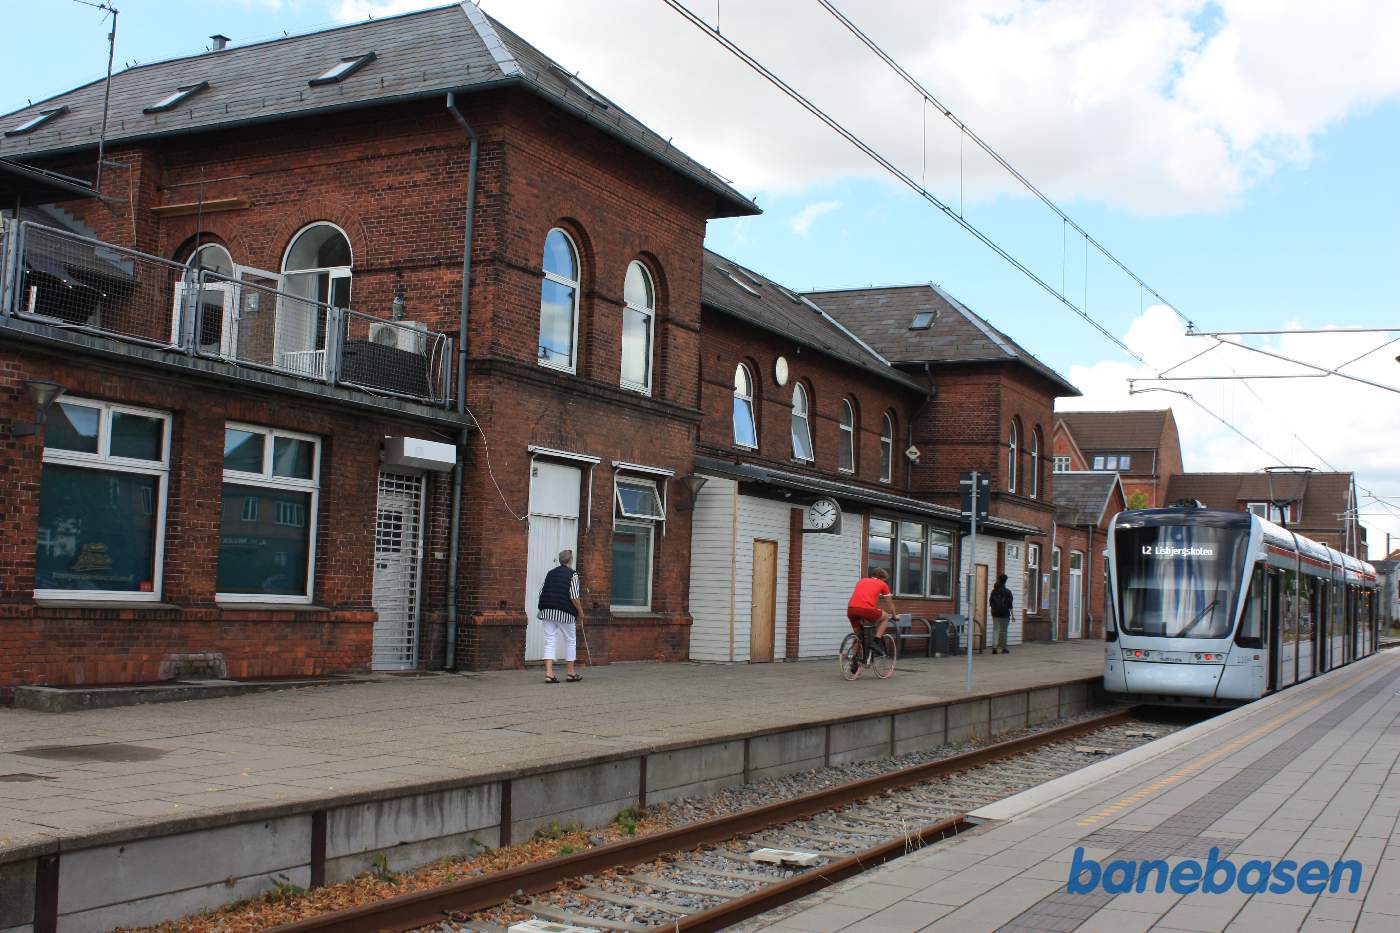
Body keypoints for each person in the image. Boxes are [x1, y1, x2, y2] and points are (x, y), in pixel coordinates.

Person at [538, 549, 585, 684]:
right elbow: (574, 597)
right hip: (565, 612)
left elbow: (541, 592)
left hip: (547, 611)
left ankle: (549, 674)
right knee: (570, 640)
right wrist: (580, 612)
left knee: (550, 640)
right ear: (571, 560)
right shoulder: (573, 575)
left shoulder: (550, 573)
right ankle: (570, 673)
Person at [847, 567, 896, 658]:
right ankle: (875, 642)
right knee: (885, 617)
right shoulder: (882, 584)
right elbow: (890, 604)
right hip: (866, 610)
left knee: (858, 635)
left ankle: (853, 661)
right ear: (882, 578)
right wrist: (894, 616)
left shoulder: (861, 581)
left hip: (851, 609)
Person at [989, 573, 1012, 654]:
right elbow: (1010, 605)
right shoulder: (1008, 592)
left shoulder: (994, 591)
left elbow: (991, 602)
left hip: (995, 614)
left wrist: (994, 610)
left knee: (996, 630)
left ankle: (994, 648)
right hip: (1005, 614)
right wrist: (1013, 616)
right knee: (1004, 631)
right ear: (1005, 581)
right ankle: (1004, 648)